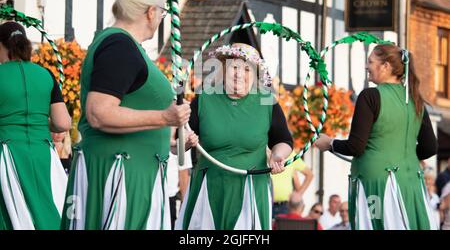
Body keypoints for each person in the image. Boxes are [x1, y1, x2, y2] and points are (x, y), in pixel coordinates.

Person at [60, 0, 197, 230]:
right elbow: (99, 113)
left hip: (134, 169)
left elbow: (127, 111)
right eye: (161, 13)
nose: (160, 19)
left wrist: (166, 138)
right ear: (149, 12)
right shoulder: (120, 46)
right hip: (120, 174)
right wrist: (165, 118)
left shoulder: (123, 45)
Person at [316, 45, 439, 230]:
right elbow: (430, 147)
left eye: (370, 62)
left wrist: (329, 143)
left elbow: (355, 146)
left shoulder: (370, 96)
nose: (366, 66)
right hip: (411, 181)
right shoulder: (415, 99)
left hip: (376, 181)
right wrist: (403, 155)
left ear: (386, 66)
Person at [176, 43, 293, 230]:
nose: (239, 74)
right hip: (209, 187)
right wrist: (186, 143)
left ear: (255, 74)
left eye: (247, 69)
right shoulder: (204, 99)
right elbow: (177, 146)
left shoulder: (267, 102)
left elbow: (283, 140)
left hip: (251, 189)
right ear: (223, 69)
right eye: (234, 67)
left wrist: (277, 155)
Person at [0, 21, 71, 230]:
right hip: (42, 153)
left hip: (7, 152)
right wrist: (37, 121)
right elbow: (63, 123)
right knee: (47, 209)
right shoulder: (45, 74)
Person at [271, 150, 313, 217]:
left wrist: (299, 194)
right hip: (265, 204)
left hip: (285, 206)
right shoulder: (262, 151)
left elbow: (309, 175)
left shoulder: (291, 154)